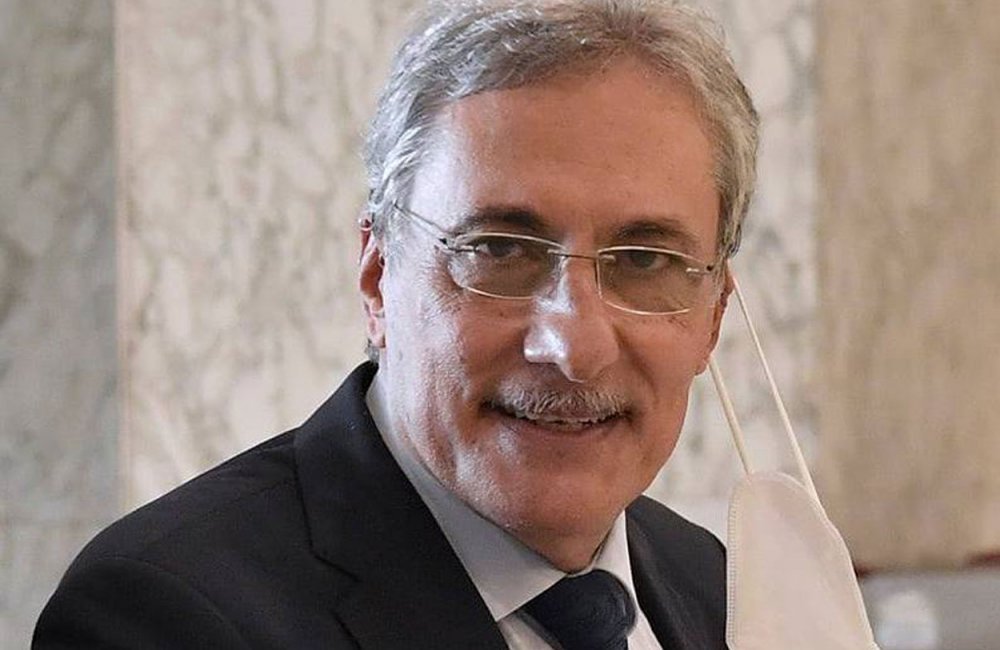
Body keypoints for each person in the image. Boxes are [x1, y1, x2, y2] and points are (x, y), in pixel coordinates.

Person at [34, 1, 758, 648]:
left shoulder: (724, 593)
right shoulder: (165, 617)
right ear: (378, 278)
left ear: (714, 317)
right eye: (499, 251)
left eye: (645, 261)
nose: (574, 346)